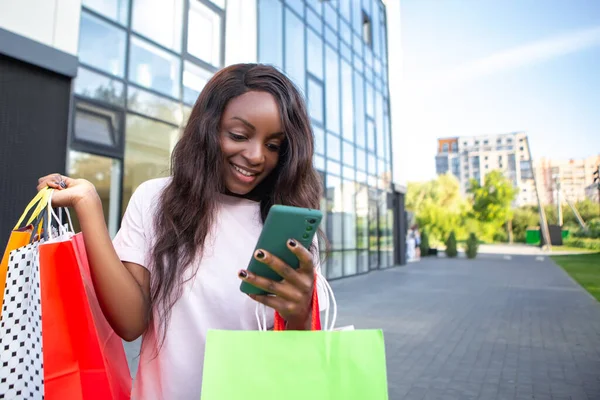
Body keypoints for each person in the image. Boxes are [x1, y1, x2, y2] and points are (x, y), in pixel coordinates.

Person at [36, 63, 326, 399]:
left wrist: (301, 313)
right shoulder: (155, 200)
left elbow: (299, 362)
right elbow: (130, 323)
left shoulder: (288, 226)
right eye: (238, 135)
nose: (256, 155)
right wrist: (88, 205)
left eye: (274, 145)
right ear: (208, 128)